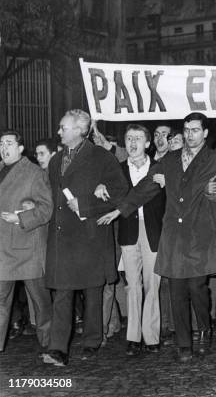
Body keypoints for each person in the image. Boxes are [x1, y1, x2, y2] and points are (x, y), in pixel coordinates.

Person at [97, 112, 216, 363]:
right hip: (174, 236)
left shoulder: (215, 161)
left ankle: (204, 329)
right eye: (186, 130)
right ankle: (184, 342)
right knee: (177, 289)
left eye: (195, 130)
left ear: (204, 133)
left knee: (197, 288)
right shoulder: (169, 160)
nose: (190, 134)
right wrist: (120, 209)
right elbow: (146, 187)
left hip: (200, 235)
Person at [42, 109, 128, 367]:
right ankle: (58, 349)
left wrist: (87, 205)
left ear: (80, 130)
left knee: (93, 292)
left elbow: (120, 192)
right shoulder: (56, 161)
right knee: (62, 294)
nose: (59, 131)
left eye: (63, 127)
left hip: (89, 237)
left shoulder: (102, 157)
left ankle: (92, 340)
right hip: (62, 239)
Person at [99, 125, 166, 356]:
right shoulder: (115, 170)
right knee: (132, 286)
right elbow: (106, 195)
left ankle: (151, 335)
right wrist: (100, 187)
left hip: (154, 232)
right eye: (128, 138)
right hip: (128, 232)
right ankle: (133, 336)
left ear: (148, 143)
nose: (133, 143)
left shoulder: (160, 170)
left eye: (138, 138)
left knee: (152, 284)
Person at [0, 130, 53, 355]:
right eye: (1, 143)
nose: (4, 147)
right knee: (0, 301)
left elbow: (46, 209)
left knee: (41, 302)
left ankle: (51, 345)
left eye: (9, 143)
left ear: (21, 148)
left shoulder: (34, 173)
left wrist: (20, 218)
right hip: (3, 248)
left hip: (28, 247)